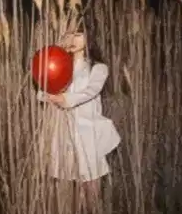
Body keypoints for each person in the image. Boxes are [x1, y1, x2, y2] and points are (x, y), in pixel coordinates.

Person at [34, 22, 119, 186]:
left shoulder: (98, 68)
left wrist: (67, 99)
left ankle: (94, 212)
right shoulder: (57, 65)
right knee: (64, 181)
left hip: (87, 131)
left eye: (78, 35)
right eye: (68, 35)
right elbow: (44, 91)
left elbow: (91, 91)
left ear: (89, 37)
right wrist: (47, 94)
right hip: (62, 130)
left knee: (89, 181)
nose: (72, 39)